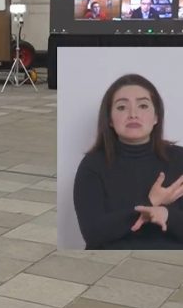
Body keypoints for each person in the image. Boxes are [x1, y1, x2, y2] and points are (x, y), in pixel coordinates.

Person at [73, 74, 183, 249]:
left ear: (156, 117)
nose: (133, 114)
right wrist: (151, 202)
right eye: (122, 107)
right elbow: (93, 234)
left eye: (143, 106)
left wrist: (167, 215)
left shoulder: (179, 159)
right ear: (109, 119)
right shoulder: (93, 165)